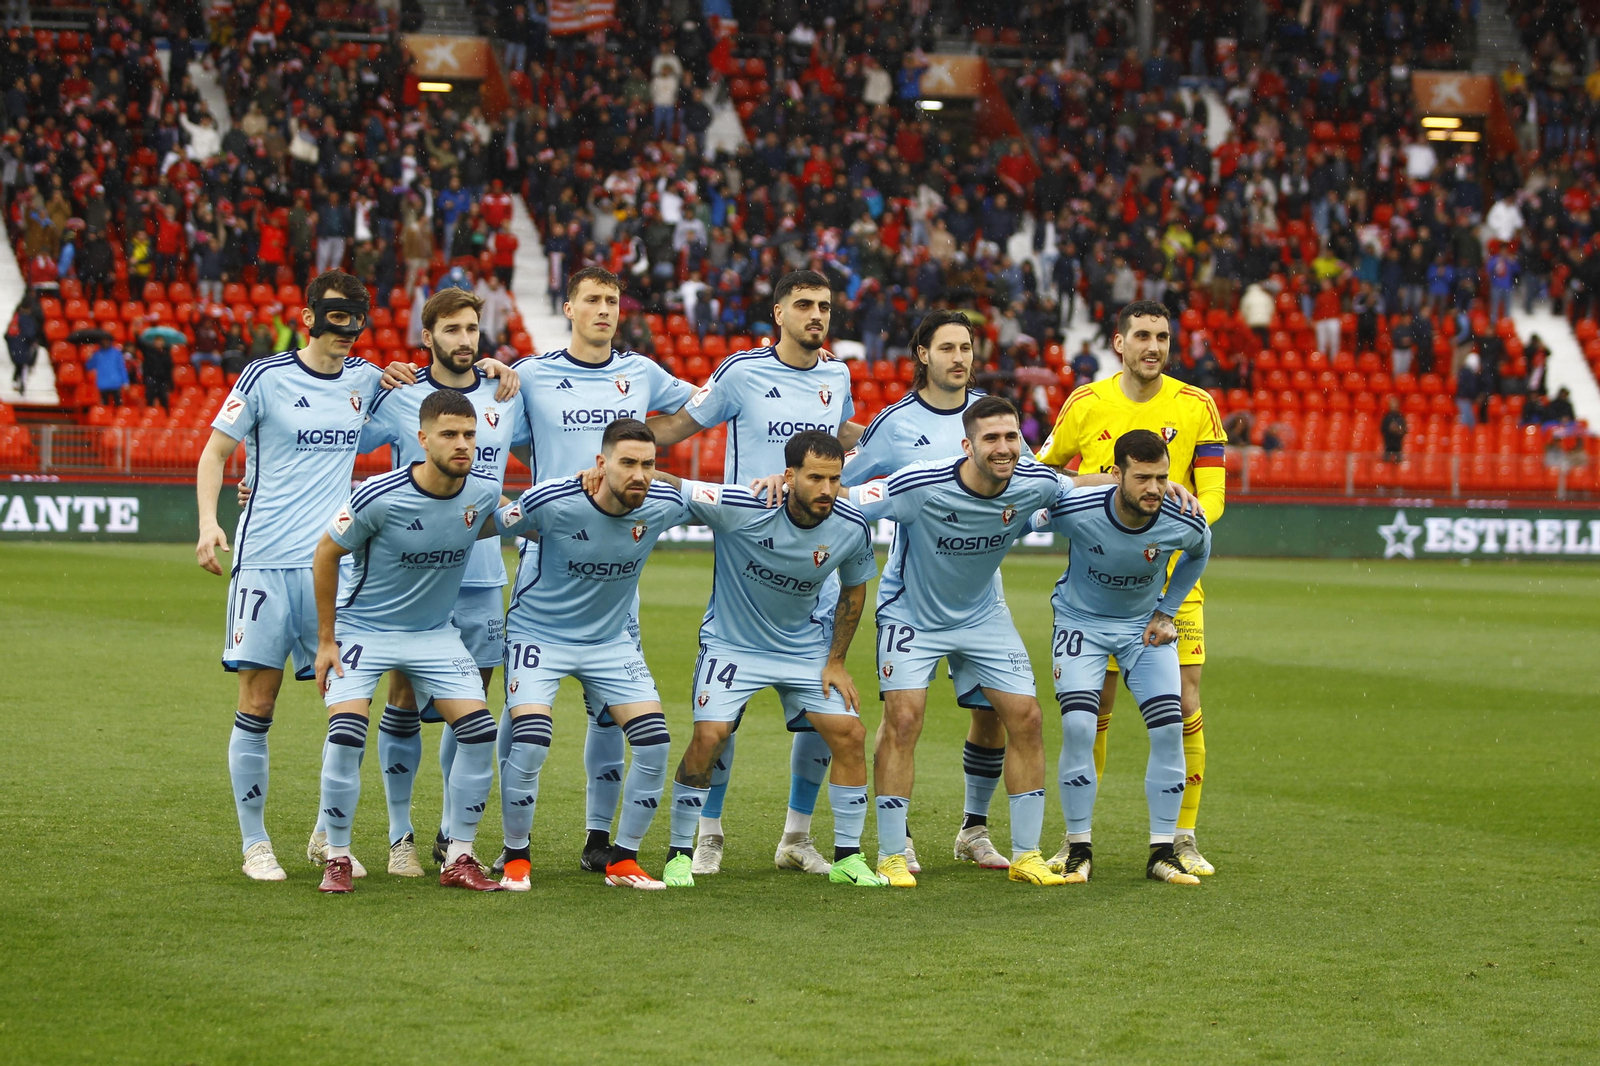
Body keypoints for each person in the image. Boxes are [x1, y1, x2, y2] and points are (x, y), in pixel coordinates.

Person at [194, 269, 516, 880]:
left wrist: (494, 367)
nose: (345, 330)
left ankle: (326, 835)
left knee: (343, 712)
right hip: (265, 562)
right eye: (335, 316)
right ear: (309, 316)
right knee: (258, 702)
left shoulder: (371, 381)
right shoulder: (264, 376)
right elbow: (216, 451)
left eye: (355, 319)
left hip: (336, 568)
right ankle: (255, 843)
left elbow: (442, 393)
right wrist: (209, 521)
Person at [647, 269, 864, 878]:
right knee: (726, 714)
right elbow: (682, 427)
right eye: (804, 304)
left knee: (822, 709)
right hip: (750, 548)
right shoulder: (741, 372)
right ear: (779, 313)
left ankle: (797, 835)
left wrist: (897, 436)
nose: (816, 315)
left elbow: (845, 438)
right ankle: (708, 833)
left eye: (824, 306)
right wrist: (619, 445)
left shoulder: (837, 376)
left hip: (818, 551)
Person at [501, 265, 696, 875]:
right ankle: (480, 834)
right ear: (569, 308)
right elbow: (502, 436)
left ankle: (598, 838)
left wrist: (632, 463)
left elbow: (701, 408)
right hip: (549, 554)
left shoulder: (641, 372)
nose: (605, 309)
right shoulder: (532, 375)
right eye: (592, 299)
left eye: (612, 300)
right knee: (520, 715)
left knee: (609, 712)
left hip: (616, 569)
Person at [845, 396, 1087, 888]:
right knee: (904, 719)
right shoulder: (919, 483)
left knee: (1026, 717)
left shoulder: (1034, 481)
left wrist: (1144, 483)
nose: (1004, 447)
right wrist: (783, 486)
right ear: (967, 445)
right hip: (912, 612)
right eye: (991, 438)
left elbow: (1078, 485)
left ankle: (1026, 856)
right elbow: (845, 499)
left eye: (1011, 436)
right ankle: (892, 854)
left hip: (982, 615)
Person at [335, 287, 527, 877]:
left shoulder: (505, 394)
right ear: (428, 337)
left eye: (471, 329)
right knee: (401, 700)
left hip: (482, 573)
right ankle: (400, 837)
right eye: (451, 329)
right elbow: (337, 446)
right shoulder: (400, 395)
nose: (464, 340)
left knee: (469, 709)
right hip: (410, 579)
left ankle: (450, 834)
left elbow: (552, 449)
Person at [1035, 300, 1227, 877]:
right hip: (1098, 585)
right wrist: (1092, 482)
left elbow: (1214, 496)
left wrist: (1186, 511)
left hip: (1171, 586)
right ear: (1119, 343)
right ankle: (1077, 840)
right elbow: (1041, 473)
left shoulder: (1197, 405)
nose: (1153, 346)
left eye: (1162, 337)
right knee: (1092, 710)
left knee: (1183, 706)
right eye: (1142, 335)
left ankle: (1181, 836)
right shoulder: (1086, 403)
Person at [653, 431, 887, 888]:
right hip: (732, 644)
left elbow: (854, 590)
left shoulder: (850, 525)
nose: (827, 489)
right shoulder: (743, 505)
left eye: (835, 479)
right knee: (710, 735)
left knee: (850, 733)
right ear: (789, 476)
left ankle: (848, 857)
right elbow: (675, 484)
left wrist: (836, 661)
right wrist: (615, 471)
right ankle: (681, 852)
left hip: (802, 647)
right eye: (815, 478)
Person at [308, 389, 507, 893]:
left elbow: (530, 515)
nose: (462, 444)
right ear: (422, 438)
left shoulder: (483, 492)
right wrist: (327, 640)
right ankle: (337, 856)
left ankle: (458, 856)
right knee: (346, 734)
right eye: (449, 434)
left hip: (434, 635)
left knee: (479, 732)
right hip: (364, 631)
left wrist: (588, 484)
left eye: (469, 435)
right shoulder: (379, 495)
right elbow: (326, 553)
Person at [841, 310, 1013, 871]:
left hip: (981, 598)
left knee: (994, 714)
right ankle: (900, 837)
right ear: (923, 355)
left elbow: (1032, 482)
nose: (959, 358)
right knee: (904, 718)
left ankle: (974, 829)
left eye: (966, 347)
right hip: (913, 597)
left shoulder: (992, 417)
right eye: (947, 348)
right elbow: (843, 484)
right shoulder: (894, 424)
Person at [491, 418, 694, 891]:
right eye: (627, 463)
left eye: (648, 465)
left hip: (609, 641)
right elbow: (490, 523)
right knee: (531, 740)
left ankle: (623, 860)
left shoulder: (664, 504)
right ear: (601, 464)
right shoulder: (552, 499)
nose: (639, 475)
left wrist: (777, 485)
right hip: (539, 636)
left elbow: (731, 503)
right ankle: (516, 856)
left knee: (655, 742)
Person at [1044, 429, 1212, 887]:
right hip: (1081, 625)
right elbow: (1024, 516)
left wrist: (1167, 610)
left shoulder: (1182, 517)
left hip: (1143, 630)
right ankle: (1078, 848)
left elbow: (1200, 550)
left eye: (1162, 477)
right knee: (1080, 727)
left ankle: (1163, 852)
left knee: (1170, 727)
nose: (1154, 488)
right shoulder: (1078, 508)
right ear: (1116, 474)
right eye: (1142, 478)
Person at [87, 342, 128, 406]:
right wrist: (90, 358)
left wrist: (125, 381)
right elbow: (89, 367)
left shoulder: (116, 353)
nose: (105, 342)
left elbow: (121, 368)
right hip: (103, 385)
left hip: (115, 383)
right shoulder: (97, 354)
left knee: (118, 405)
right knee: (105, 407)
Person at [1381, 395, 1407, 462]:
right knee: (1386, 462)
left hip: (1398, 445)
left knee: (1398, 461)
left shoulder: (1400, 416)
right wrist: (1391, 429)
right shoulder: (1386, 417)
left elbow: (1404, 429)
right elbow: (1383, 429)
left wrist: (1398, 430)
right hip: (1388, 445)